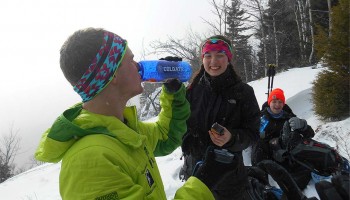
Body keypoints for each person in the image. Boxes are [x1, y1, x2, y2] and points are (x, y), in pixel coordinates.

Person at [34, 28, 234, 200]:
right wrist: (203, 183)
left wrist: (173, 94)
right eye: (131, 60)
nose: (139, 66)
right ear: (111, 75)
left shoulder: (122, 129)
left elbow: (165, 135)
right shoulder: (88, 162)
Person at [179, 35, 261, 199]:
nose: (213, 61)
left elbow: (253, 133)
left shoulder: (243, 92)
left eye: (220, 55)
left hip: (229, 178)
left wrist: (232, 138)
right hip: (195, 174)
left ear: (228, 58)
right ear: (202, 59)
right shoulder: (192, 90)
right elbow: (180, 124)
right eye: (208, 56)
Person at [251, 88, 315, 190]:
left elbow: (310, 134)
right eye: (274, 101)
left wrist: (303, 126)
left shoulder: (288, 117)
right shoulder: (261, 117)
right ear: (269, 102)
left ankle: (296, 187)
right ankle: (261, 184)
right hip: (265, 152)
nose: (277, 105)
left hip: (283, 151)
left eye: (280, 102)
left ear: (283, 103)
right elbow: (250, 134)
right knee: (258, 145)